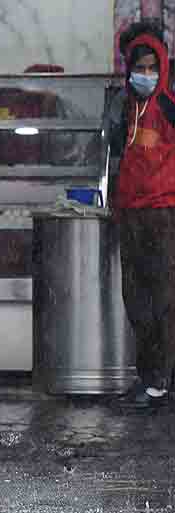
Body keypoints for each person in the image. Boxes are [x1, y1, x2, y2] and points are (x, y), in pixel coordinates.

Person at [107, 22, 175, 408]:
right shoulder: (128, 106)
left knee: (164, 296)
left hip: (163, 213)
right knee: (135, 297)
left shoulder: (167, 104)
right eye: (139, 67)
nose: (145, 75)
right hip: (131, 213)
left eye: (152, 67)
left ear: (162, 67)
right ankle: (147, 375)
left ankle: (161, 381)